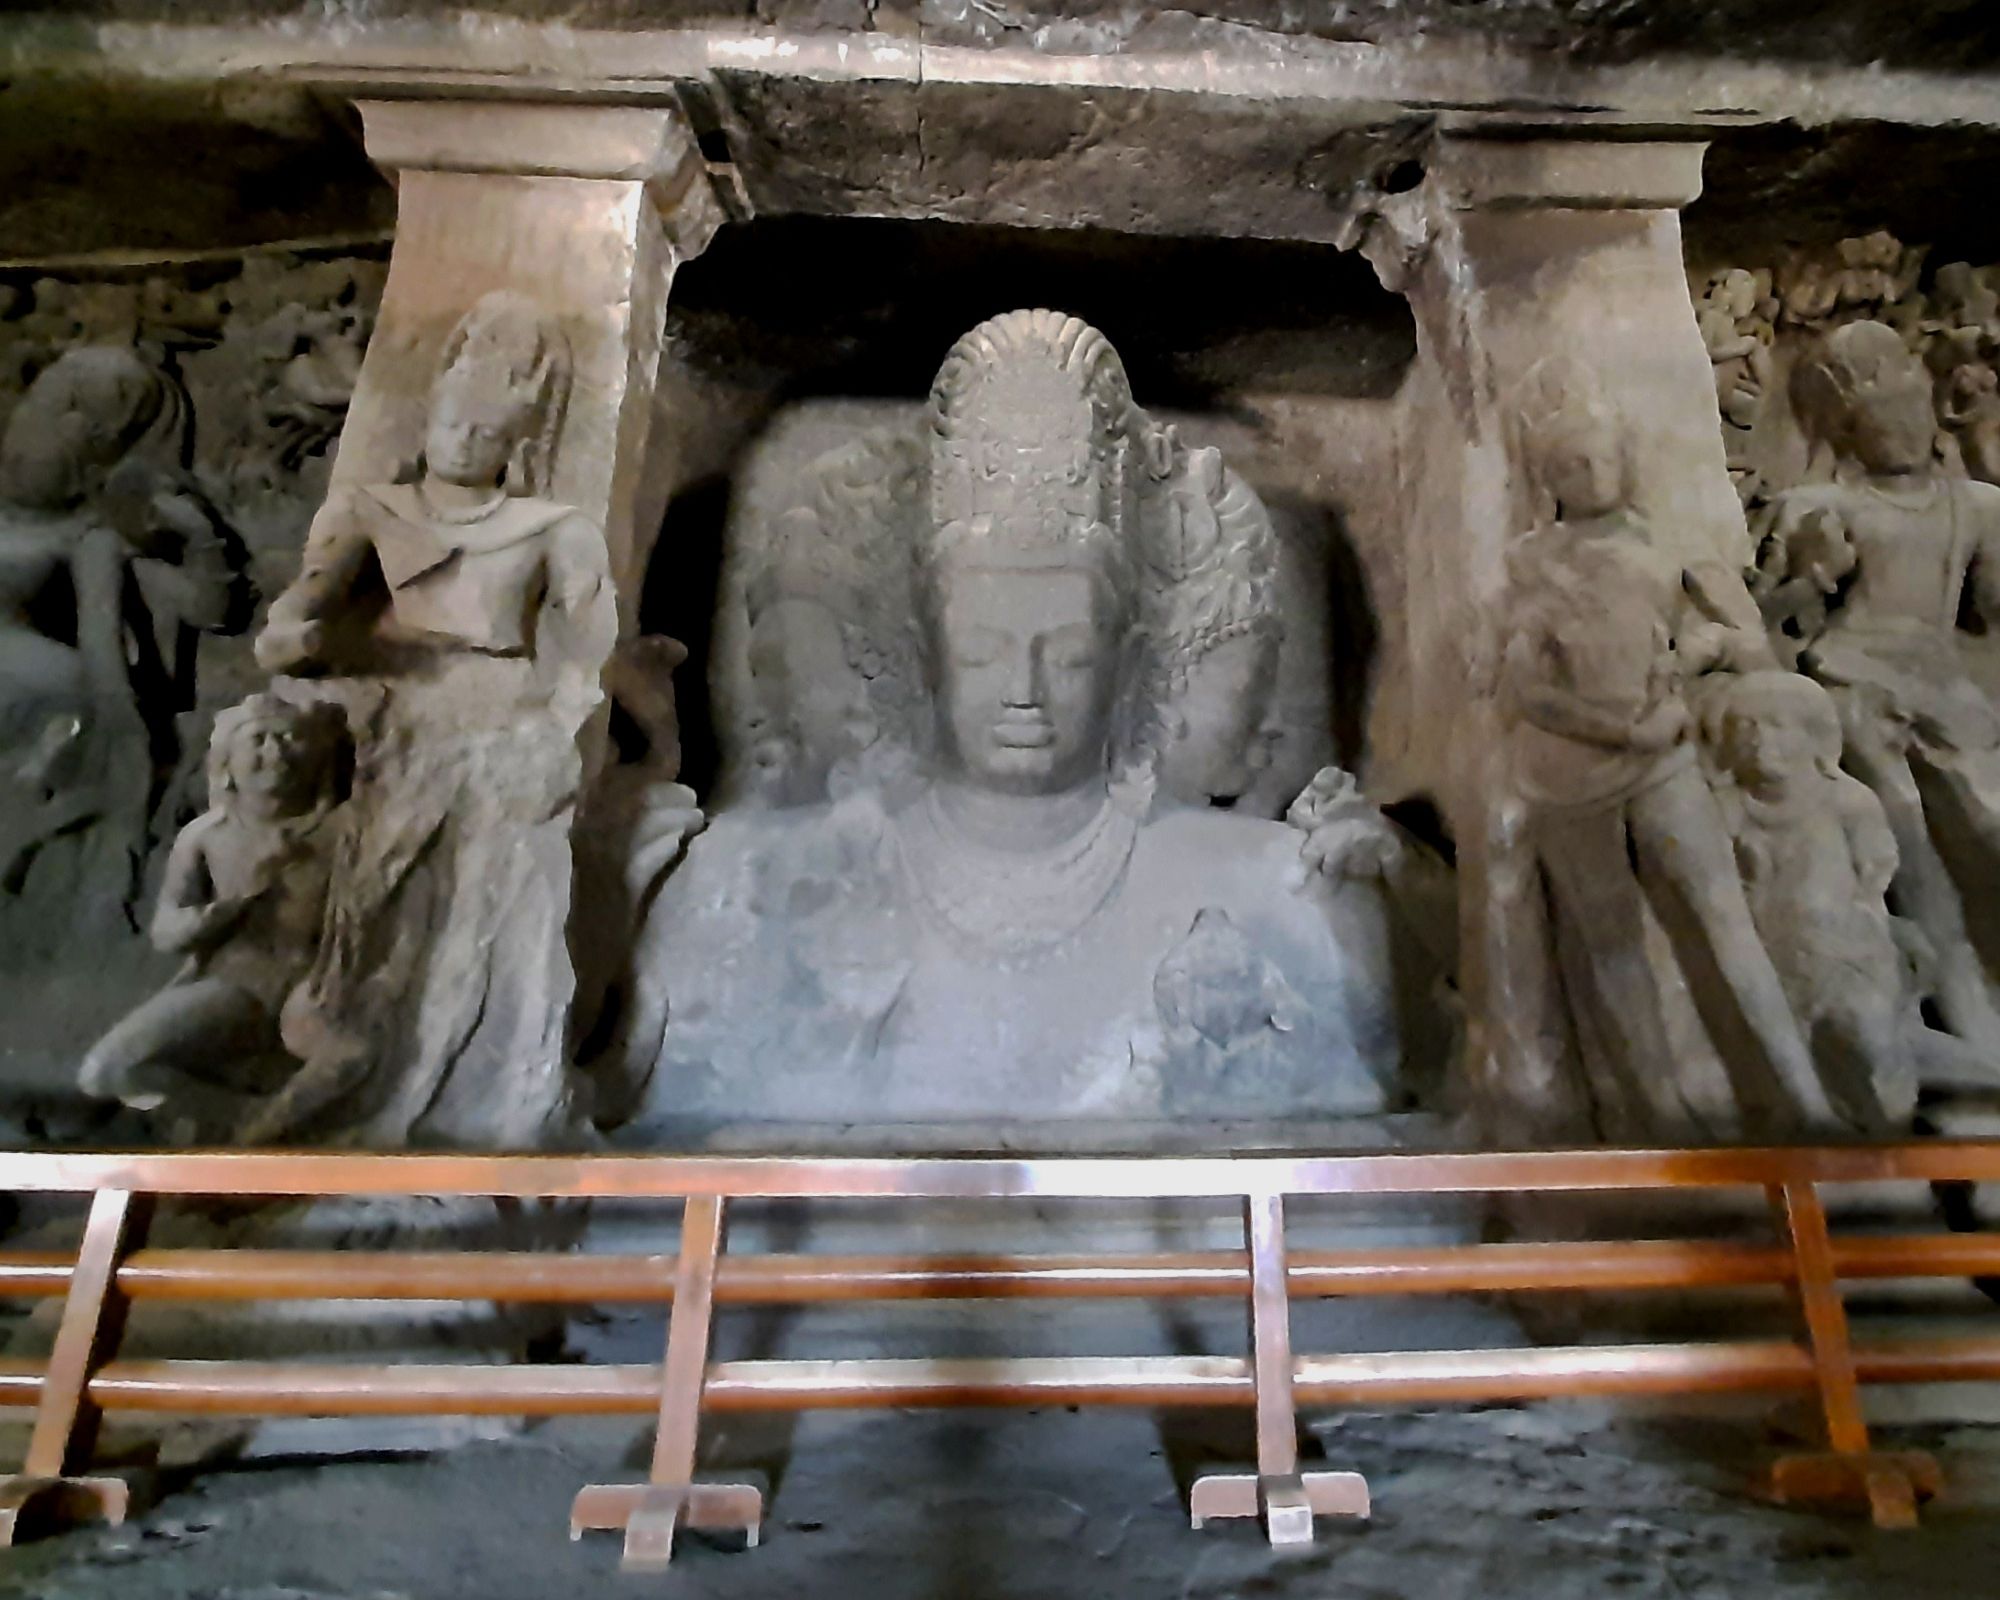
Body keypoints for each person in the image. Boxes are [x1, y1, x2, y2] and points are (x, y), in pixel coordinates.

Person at [1497, 356, 1842, 1138]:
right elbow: (1525, 689)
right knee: (1610, 939)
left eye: (1599, 456)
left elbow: (1742, 638)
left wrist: (1691, 656)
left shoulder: (1669, 547)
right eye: (1569, 465)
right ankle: (1658, 1117)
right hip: (1570, 769)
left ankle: (1800, 1098)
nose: (1589, 474)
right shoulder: (1532, 561)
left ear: (1625, 458)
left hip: (1665, 753)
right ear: (1549, 476)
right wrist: (1622, 726)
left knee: (1725, 920)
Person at [79, 694, 348, 1138]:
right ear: (228, 760)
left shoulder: (343, 833)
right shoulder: (206, 837)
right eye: (258, 741)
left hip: (318, 988)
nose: (275, 754)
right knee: (107, 1071)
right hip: (236, 985)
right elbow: (166, 931)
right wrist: (233, 903)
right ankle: (251, 1117)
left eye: (289, 740)